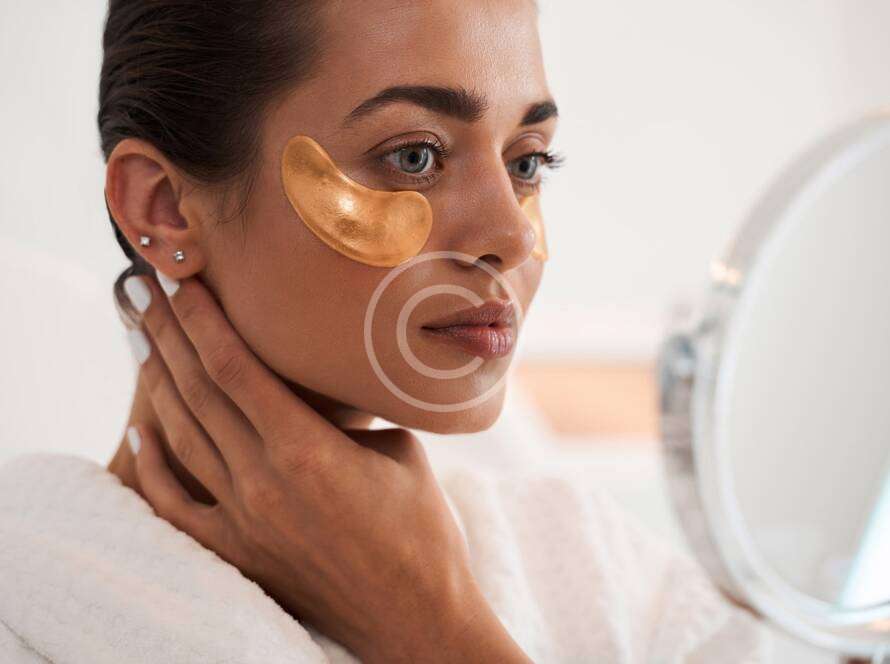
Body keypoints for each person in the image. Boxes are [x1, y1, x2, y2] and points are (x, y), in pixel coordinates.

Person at [0, 0, 767, 661]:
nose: (513, 235)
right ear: (163, 207)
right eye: (415, 155)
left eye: (528, 164)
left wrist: (434, 628)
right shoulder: (25, 596)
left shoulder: (613, 580)